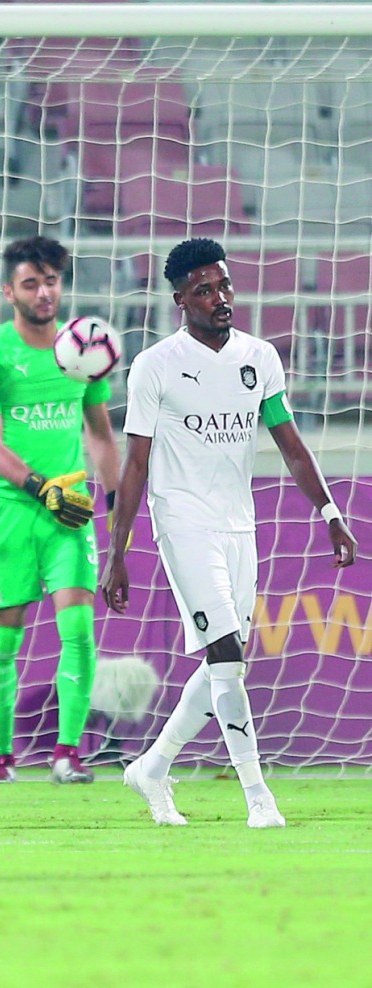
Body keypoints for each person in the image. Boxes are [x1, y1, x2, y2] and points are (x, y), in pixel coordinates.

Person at [101, 237, 358, 828]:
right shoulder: (156, 366)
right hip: (182, 520)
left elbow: (291, 447)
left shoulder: (259, 357)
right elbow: (134, 462)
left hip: (240, 524)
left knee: (228, 665)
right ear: (179, 300)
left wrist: (331, 515)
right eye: (204, 291)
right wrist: (119, 552)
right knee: (224, 653)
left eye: (224, 286)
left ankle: (153, 766)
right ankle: (257, 795)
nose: (220, 299)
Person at [0, 235, 121, 784]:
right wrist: (39, 487)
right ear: (9, 291)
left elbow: (100, 435)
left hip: (69, 512)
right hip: (8, 511)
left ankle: (67, 755)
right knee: (4, 638)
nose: (44, 291)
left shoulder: (83, 353)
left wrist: (116, 501)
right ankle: (0, 759)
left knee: (78, 630)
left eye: (51, 280)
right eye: (31, 282)